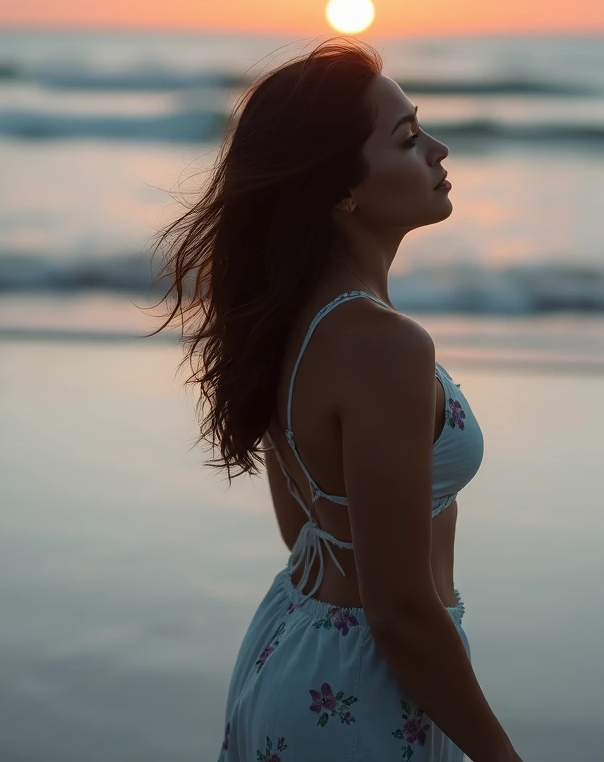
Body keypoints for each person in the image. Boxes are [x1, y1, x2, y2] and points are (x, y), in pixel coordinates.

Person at [149, 37, 523, 761]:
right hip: (362, 696)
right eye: (409, 139)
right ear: (340, 189)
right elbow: (401, 611)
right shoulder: (382, 345)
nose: (439, 150)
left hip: (292, 648)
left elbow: (309, 529)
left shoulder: (290, 318)